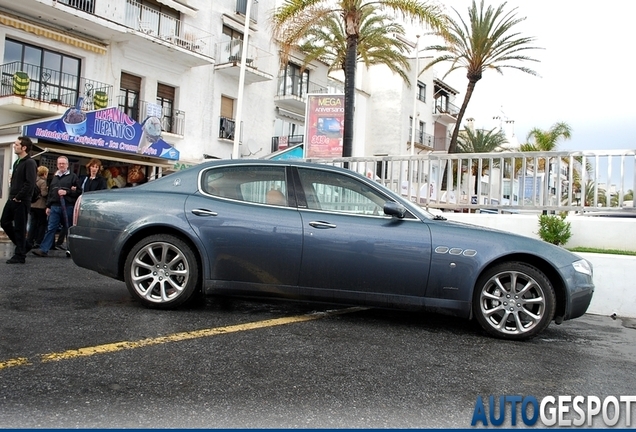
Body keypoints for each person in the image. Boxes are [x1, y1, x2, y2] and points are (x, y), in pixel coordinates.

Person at [32, 156, 82, 258]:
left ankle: (71, 250)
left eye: (63, 163)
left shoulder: (73, 177)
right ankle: (43, 249)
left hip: (68, 206)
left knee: (68, 229)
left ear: (67, 165)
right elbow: (51, 192)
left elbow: (79, 192)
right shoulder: (54, 178)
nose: (61, 165)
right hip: (54, 206)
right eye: (59, 163)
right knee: (51, 228)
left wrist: (67, 192)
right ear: (57, 165)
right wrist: (48, 206)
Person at [54, 158, 106, 250]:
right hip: (81, 204)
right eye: (93, 166)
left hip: (93, 206)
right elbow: (78, 189)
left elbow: (102, 192)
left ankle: (89, 245)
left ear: (99, 169)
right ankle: (63, 243)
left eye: (96, 167)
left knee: (90, 225)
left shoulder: (101, 180)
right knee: (72, 223)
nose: (94, 169)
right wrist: (74, 189)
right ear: (89, 168)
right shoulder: (84, 178)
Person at [1, 136, 37, 264]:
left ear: (24, 147)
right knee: (4, 222)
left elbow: (30, 183)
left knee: (20, 228)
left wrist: (19, 197)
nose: (14, 146)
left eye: (17, 144)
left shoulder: (30, 163)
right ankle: (23, 246)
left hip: (21, 201)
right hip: (12, 199)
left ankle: (20, 255)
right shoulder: (18, 162)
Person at [26, 165, 49, 249]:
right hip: (40, 205)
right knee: (42, 223)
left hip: (32, 205)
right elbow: (44, 194)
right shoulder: (42, 182)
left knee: (33, 223)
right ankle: (39, 241)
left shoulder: (33, 180)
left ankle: (29, 240)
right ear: (44, 173)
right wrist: (47, 189)